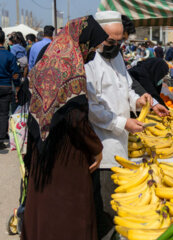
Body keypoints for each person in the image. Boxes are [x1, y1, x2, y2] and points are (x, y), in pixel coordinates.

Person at [21, 16, 108, 240]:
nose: (93, 52)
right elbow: (76, 119)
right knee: (69, 215)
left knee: (44, 210)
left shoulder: (46, 59)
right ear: (83, 42)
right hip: (66, 157)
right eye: (92, 45)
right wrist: (96, 148)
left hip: (42, 153)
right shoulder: (72, 66)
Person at [85, 11, 152, 240]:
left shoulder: (117, 57)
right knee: (105, 209)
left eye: (120, 40)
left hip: (122, 145)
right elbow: (92, 108)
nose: (116, 45)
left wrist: (137, 101)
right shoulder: (89, 61)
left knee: (118, 206)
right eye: (111, 41)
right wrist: (123, 123)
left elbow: (127, 88)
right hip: (102, 147)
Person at [0, 29, 20, 150]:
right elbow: (15, 74)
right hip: (6, 86)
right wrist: (17, 86)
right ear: (4, 40)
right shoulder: (10, 55)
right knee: (3, 114)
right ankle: (1, 139)